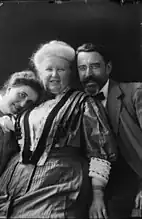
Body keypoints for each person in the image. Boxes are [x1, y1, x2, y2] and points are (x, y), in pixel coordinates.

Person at [0, 40, 117, 219]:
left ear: (70, 73)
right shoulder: (30, 104)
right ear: (40, 73)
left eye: (60, 69)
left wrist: (97, 197)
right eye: (48, 69)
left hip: (59, 182)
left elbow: (100, 151)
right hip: (13, 182)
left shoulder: (83, 102)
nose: (54, 75)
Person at [76, 42, 142, 218]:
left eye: (95, 66)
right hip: (93, 180)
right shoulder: (78, 103)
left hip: (132, 176)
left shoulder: (135, 93)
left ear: (109, 67)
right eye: (82, 68)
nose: (88, 74)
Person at [0, 70, 43, 216]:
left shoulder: (20, 125)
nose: (23, 104)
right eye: (21, 95)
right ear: (9, 89)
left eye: (29, 102)